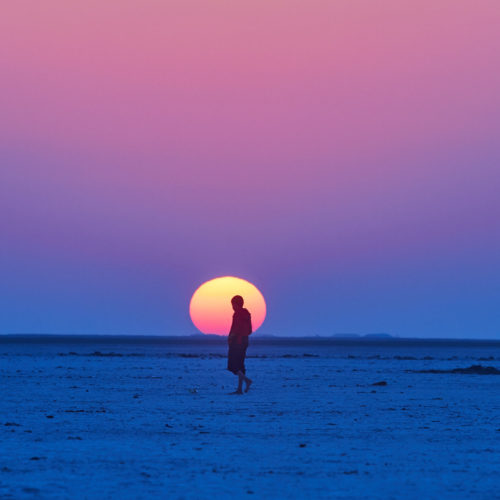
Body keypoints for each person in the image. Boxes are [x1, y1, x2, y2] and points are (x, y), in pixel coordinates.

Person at [227, 295, 253, 394]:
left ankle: (247, 380)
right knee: (240, 365)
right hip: (245, 341)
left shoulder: (237, 314)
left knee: (232, 365)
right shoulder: (247, 314)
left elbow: (236, 328)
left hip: (237, 342)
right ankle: (239, 389)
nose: (232, 307)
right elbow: (249, 330)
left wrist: (230, 337)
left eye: (233, 305)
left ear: (236, 304)